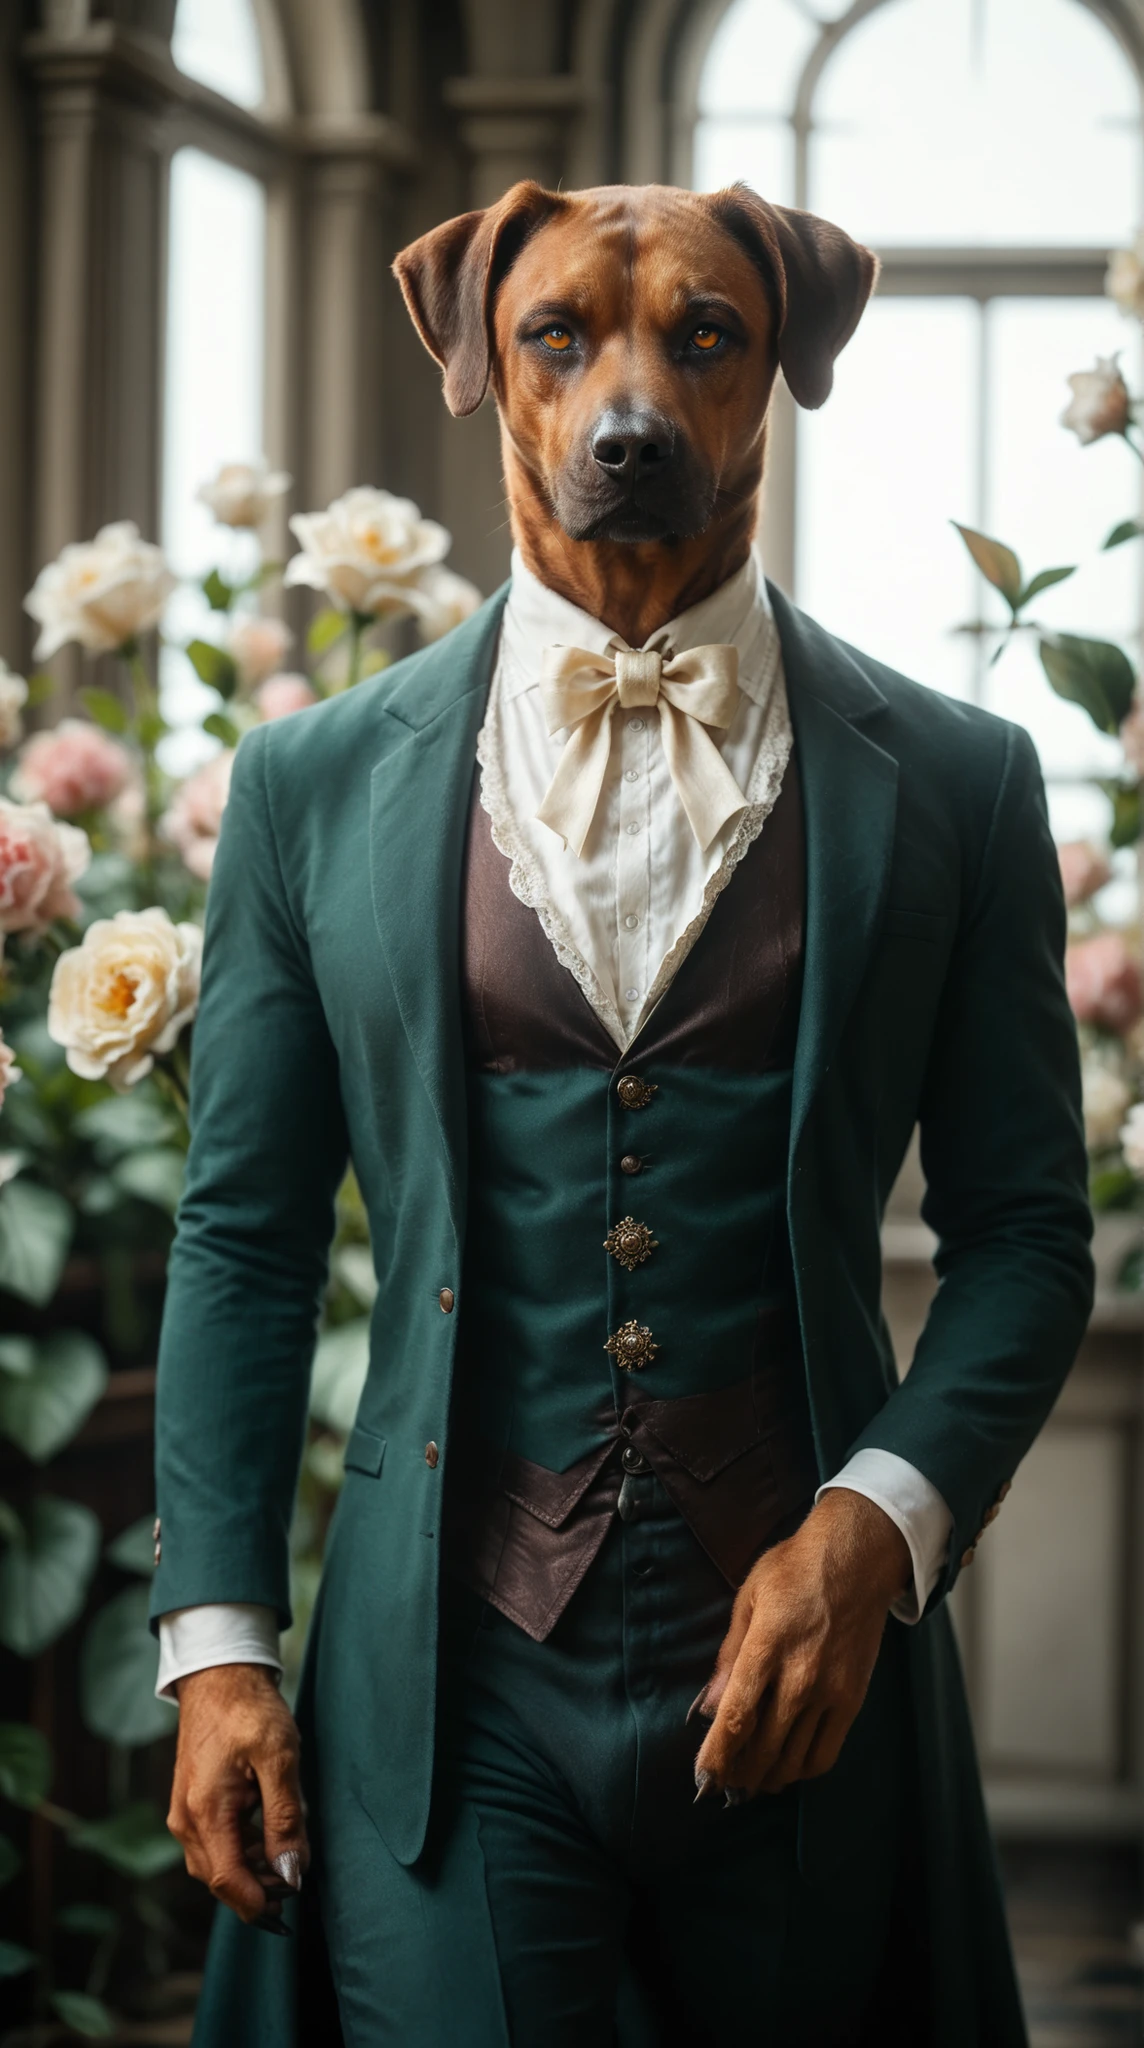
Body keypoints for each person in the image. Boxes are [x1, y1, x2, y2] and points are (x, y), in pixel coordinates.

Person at [152, 181, 1093, 2047]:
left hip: (804, 1666)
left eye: (703, 339)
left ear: (787, 365)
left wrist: (876, 1526)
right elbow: (246, 1239)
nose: (630, 402)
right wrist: (220, 1650)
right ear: (480, 358)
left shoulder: (965, 787)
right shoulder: (309, 787)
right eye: (564, 340)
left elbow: (1025, 1240)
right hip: (448, 1684)